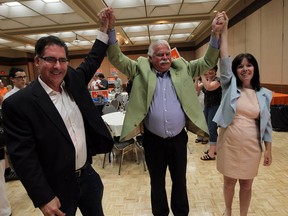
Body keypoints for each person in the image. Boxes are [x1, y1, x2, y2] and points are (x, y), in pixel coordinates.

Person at [104, 8, 226, 216]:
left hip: (178, 139)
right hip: (153, 141)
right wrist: (111, 29)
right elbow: (117, 59)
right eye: (159, 54)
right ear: (150, 58)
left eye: (167, 54)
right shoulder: (140, 69)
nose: (164, 58)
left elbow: (207, 62)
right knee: (157, 182)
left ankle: (181, 213)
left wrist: (215, 34)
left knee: (180, 181)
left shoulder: (183, 68)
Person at [2, 8, 114, 216]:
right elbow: (22, 156)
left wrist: (103, 29)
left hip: (88, 178)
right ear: (37, 61)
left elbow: (92, 59)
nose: (57, 66)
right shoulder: (19, 103)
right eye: (50, 59)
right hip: (56, 189)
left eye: (62, 60)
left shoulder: (73, 81)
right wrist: (43, 197)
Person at [213, 12, 272, 216]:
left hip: (251, 145)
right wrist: (224, 31)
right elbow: (225, 57)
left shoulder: (264, 94)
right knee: (229, 181)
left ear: (254, 68)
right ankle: (228, 210)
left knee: (247, 184)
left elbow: (268, 125)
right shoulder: (229, 85)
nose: (244, 69)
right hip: (229, 142)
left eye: (248, 65)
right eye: (240, 66)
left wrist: (269, 150)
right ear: (235, 70)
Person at [3, 67, 27, 182]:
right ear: (12, 79)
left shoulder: (30, 92)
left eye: (24, 77)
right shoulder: (9, 97)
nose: (23, 80)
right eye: (19, 77)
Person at [198, 66, 222, 160]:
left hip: (215, 107)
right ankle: (214, 148)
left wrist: (202, 75)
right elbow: (196, 88)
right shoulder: (206, 80)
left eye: (212, 69)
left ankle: (211, 154)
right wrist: (197, 79)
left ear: (216, 71)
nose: (210, 71)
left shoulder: (218, 80)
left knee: (212, 129)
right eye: (208, 69)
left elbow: (208, 87)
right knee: (209, 129)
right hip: (207, 107)